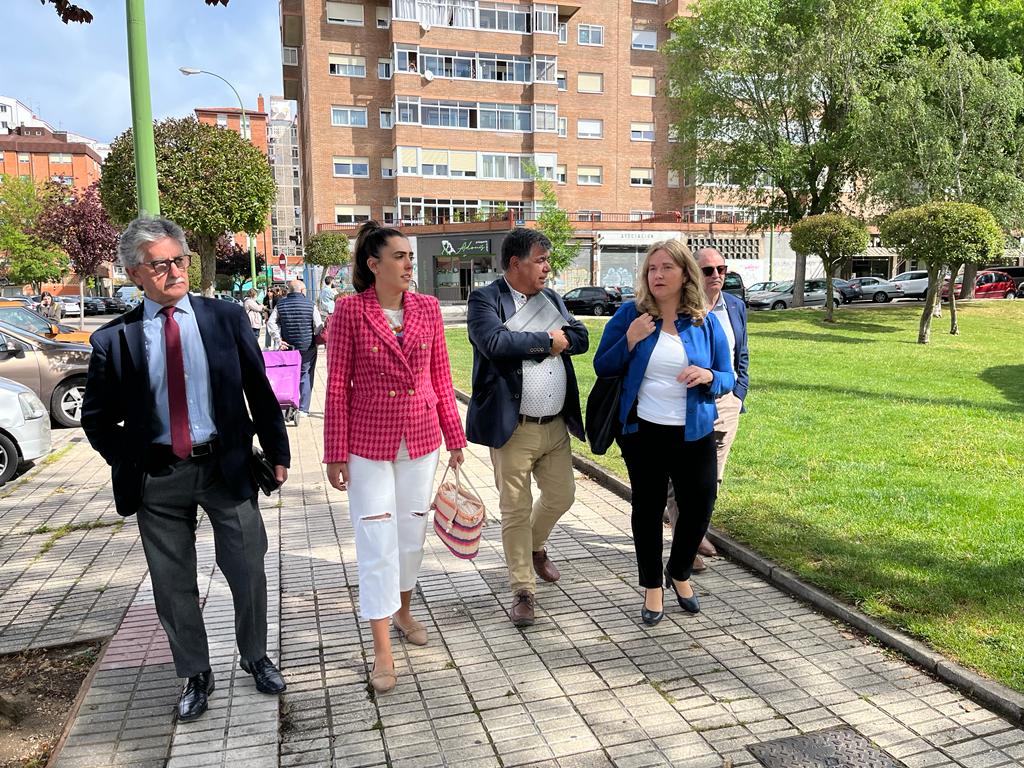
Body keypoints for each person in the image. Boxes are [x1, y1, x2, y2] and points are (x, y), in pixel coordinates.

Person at [80, 217, 290, 722]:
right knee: (172, 584)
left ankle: (255, 656)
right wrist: (131, 462)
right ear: (134, 273)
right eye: (161, 264)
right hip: (159, 478)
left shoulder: (225, 318)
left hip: (226, 466)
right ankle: (196, 673)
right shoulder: (115, 339)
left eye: (181, 260)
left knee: (248, 568)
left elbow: (258, 390)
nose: (175, 271)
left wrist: (277, 452)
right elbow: (96, 418)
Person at [323, 221, 466, 694]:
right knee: (376, 539)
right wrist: (334, 453)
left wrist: (455, 436)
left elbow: (441, 378)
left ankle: (404, 610)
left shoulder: (427, 308)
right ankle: (382, 649)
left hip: (421, 441)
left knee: (411, 535)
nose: (409, 264)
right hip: (368, 444)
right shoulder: (349, 312)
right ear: (374, 264)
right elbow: (337, 384)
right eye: (400, 256)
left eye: (409, 256)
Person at [593, 240, 734, 626]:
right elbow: (603, 366)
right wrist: (631, 339)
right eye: (652, 268)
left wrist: (708, 376)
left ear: (684, 273)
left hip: (695, 432)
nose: (657, 274)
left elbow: (728, 376)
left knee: (701, 504)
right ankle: (652, 587)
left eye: (666, 267)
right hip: (643, 432)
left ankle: (680, 571)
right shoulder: (630, 315)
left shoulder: (704, 321)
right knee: (648, 509)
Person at [465, 228, 589, 628]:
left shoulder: (551, 298)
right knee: (514, 509)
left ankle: (535, 548)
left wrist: (557, 338)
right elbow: (494, 344)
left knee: (562, 496)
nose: (547, 267)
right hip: (512, 428)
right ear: (516, 264)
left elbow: (581, 337)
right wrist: (549, 342)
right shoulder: (485, 299)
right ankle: (523, 589)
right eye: (540, 260)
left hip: (554, 426)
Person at [665, 247, 749, 570]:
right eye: (708, 270)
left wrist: (739, 393)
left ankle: (695, 529)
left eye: (722, 269)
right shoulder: (682, 308)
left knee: (712, 476)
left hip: (726, 399)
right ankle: (684, 543)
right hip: (690, 400)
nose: (716, 276)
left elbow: (741, 355)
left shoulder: (735, 307)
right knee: (681, 476)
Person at [267, 280, 322, 420]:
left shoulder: (281, 304)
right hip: (307, 346)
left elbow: (271, 322)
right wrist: (314, 335)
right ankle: (303, 409)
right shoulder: (311, 305)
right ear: (302, 290)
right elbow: (318, 325)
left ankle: (288, 402)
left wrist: (278, 340)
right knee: (305, 374)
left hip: (288, 347)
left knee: (288, 374)